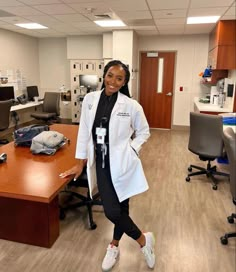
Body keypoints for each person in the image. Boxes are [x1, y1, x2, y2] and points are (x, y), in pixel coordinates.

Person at [59, 60, 155, 271]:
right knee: (112, 211)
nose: (113, 81)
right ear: (104, 75)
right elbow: (84, 132)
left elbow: (144, 132)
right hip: (100, 163)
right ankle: (143, 240)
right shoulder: (90, 100)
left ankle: (114, 244)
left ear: (124, 82)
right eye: (110, 75)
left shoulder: (130, 105)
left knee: (121, 207)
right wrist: (79, 163)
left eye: (119, 78)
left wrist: (132, 150)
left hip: (122, 163)